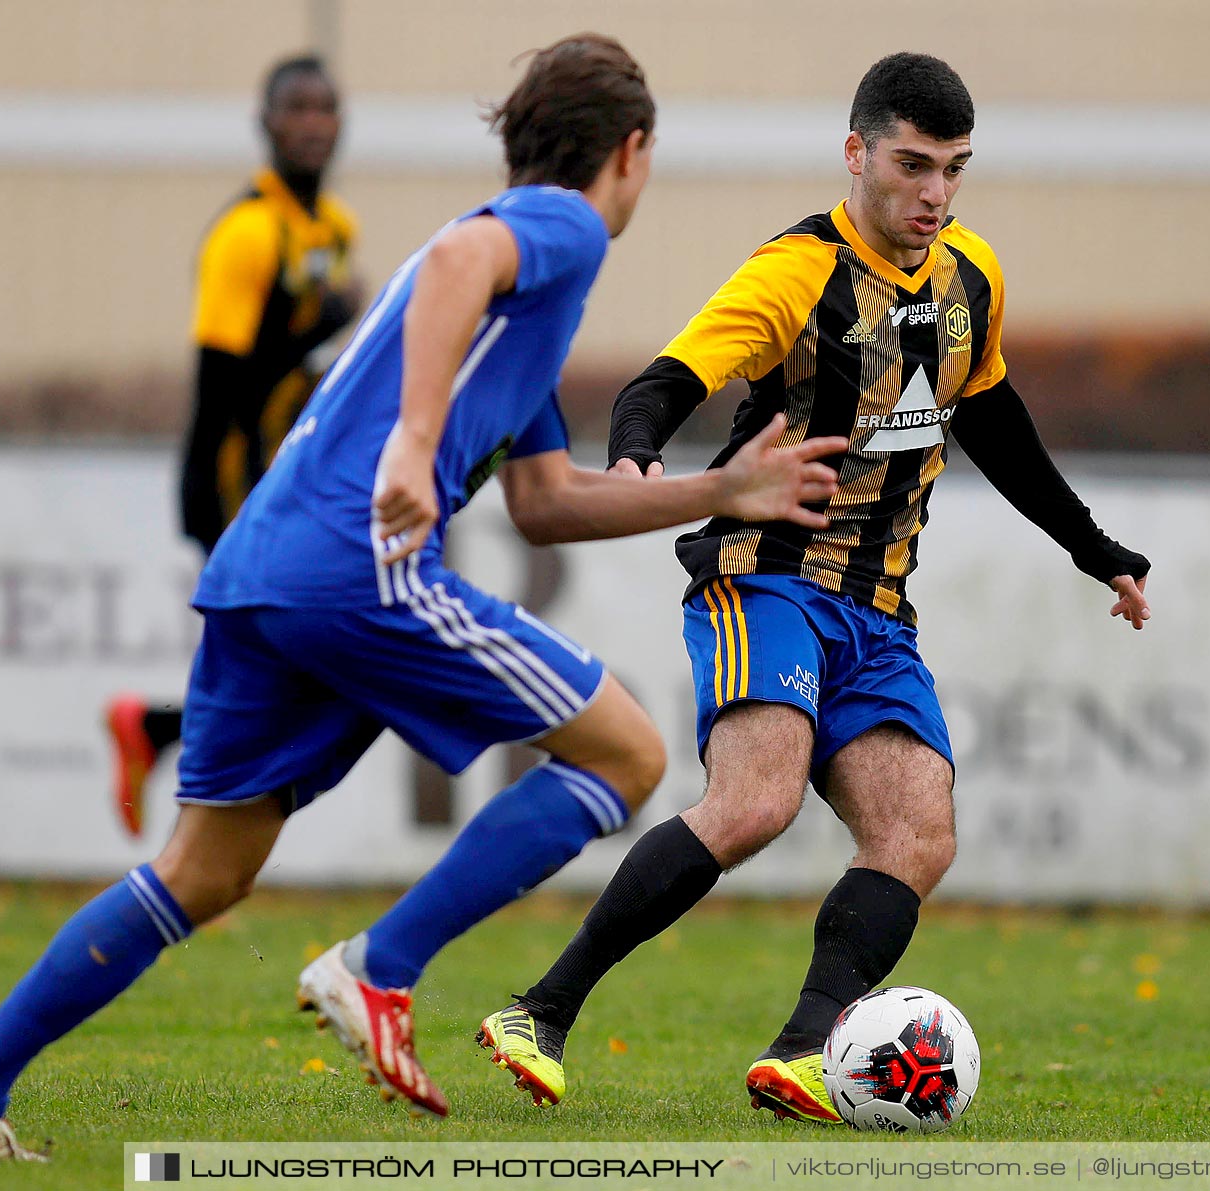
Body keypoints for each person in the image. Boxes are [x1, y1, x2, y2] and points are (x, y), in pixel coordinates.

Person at [0, 34, 846, 1161]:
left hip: (261, 572)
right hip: (356, 568)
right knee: (627, 757)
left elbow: (544, 502)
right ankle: (377, 967)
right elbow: (459, 265)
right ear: (630, 152)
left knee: (201, 873)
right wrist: (412, 441)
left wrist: (722, 487)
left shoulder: (518, 312)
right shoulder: (559, 223)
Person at [477, 52, 1152, 1122]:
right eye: (912, 165)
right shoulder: (793, 274)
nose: (933, 194)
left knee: (919, 834)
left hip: (878, 610)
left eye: (954, 171)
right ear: (857, 154)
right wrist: (642, 456)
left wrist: (1094, 547)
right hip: (768, 577)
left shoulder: (971, 275)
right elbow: (664, 381)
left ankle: (800, 1056)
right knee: (755, 804)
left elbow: (995, 421)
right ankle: (541, 1012)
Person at [106, 54, 361, 839]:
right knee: (294, 650)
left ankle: (154, 733)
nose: (314, 123)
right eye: (298, 108)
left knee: (285, 657)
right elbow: (222, 387)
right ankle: (188, 786)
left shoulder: (333, 228)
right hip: (231, 479)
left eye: (326, 108)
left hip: (291, 477)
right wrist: (318, 329)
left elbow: (299, 368)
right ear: (268, 123)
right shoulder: (247, 235)